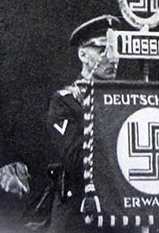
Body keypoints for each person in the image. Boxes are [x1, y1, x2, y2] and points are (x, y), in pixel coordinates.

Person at [47, 14, 121, 232]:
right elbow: (77, 159)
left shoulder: (125, 102)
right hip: (78, 215)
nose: (113, 57)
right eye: (103, 50)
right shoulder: (64, 102)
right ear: (83, 54)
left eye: (116, 50)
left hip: (118, 213)